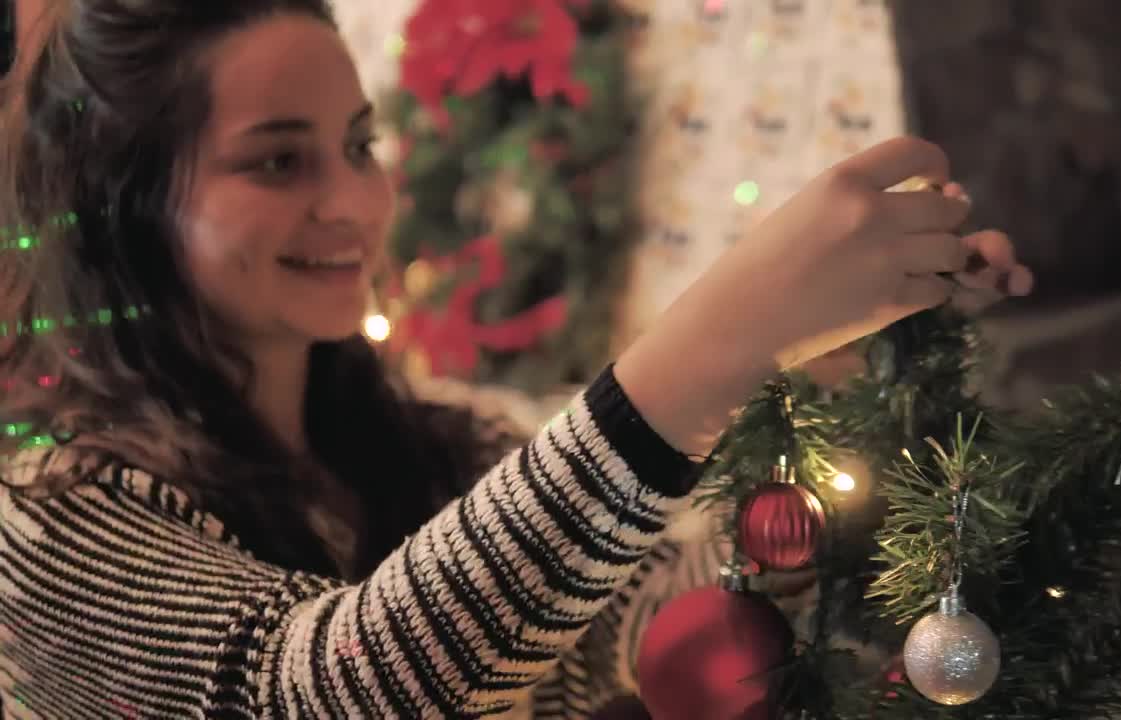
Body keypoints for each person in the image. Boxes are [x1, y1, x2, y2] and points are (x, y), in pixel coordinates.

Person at [0, 0, 1033, 717]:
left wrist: (816, 393)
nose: (354, 202)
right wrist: (708, 345)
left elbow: (644, 626)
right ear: (122, 205)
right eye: (278, 160)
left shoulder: (443, 445)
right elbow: (323, 692)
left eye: (360, 145)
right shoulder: (51, 514)